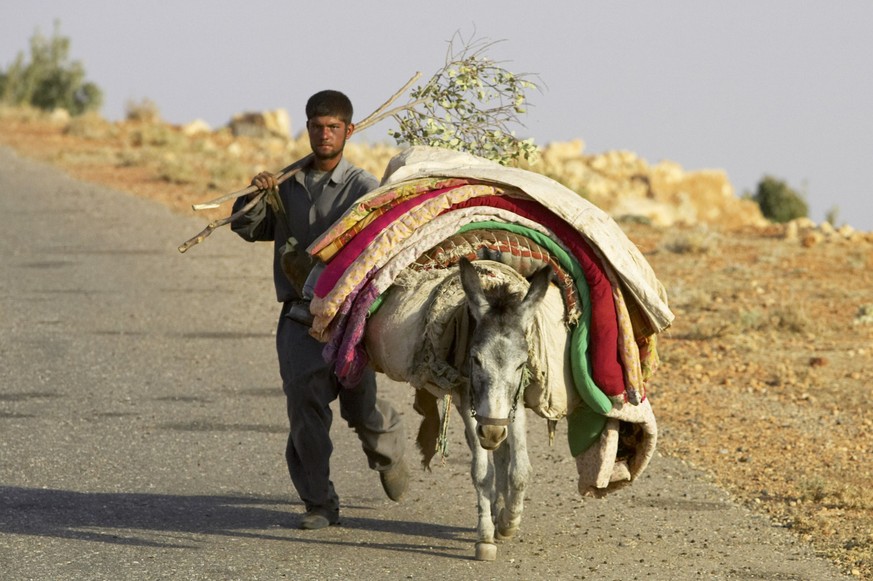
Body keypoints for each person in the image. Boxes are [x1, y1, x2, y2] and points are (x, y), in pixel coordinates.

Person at [230, 90, 408, 531]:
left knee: (360, 406)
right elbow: (246, 229)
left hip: (349, 318)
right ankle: (320, 504)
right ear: (306, 128)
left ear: (348, 131)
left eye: (332, 127)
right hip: (298, 316)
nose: (323, 134)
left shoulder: (364, 190)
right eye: (316, 126)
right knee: (305, 410)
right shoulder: (286, 187)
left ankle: (386, 451)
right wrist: (254, 198)